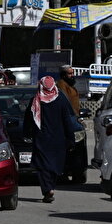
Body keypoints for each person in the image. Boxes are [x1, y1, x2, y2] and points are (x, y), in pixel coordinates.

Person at [23, 75, 77, 203]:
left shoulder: (36, 100)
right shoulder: (61, 100)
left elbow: (28, 120)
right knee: (52, 165)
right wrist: (71, 138)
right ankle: (50, 188)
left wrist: (27, 133)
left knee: (43, 166)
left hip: (42, 139)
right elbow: (67, 121)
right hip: (58, 139)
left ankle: (48, 189)